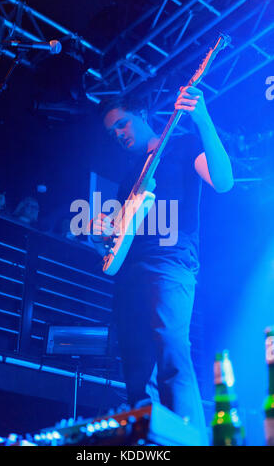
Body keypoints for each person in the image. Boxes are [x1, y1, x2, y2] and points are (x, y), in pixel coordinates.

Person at [90, 86, 234, 445]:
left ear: (142, 113)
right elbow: (121, 235)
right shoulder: (128, 179)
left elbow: (224, 181)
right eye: (112, 133)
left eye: (122, 124)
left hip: (170, 264)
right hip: (129, 275)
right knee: (137, 368)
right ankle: (152, 444)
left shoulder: (182, 145)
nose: (119, 135)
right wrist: (104, 231)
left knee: (171, 348)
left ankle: (190, 438)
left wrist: (202, 118)